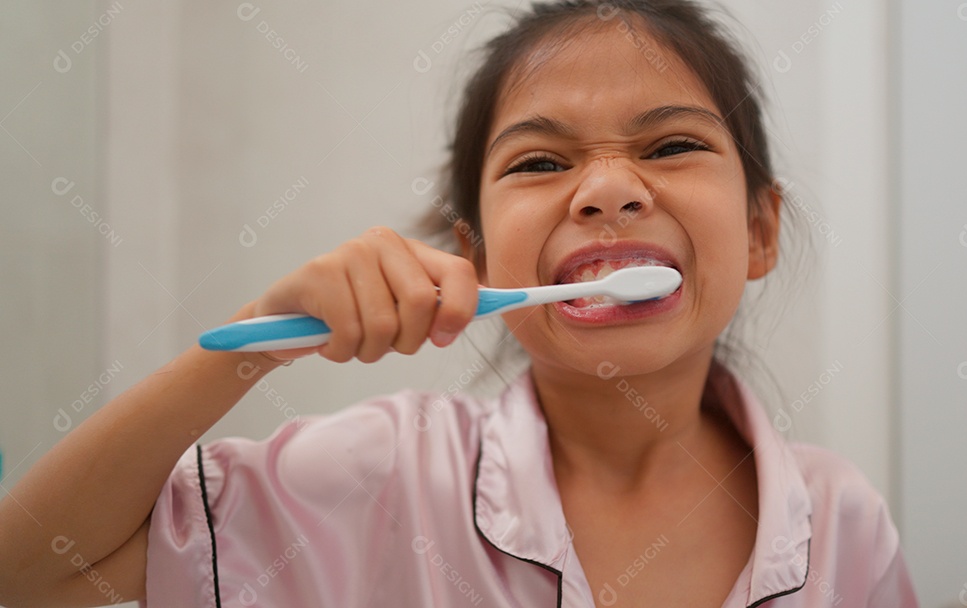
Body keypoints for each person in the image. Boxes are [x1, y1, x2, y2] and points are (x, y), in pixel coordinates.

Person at [0, 1, 918, 606]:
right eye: (541, 162)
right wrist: (250, 346)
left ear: (760, 231)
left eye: (672, 145)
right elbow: (28, 575)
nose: (606, 190)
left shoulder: (846, 524)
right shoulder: (371, 477)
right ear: (471, 256)